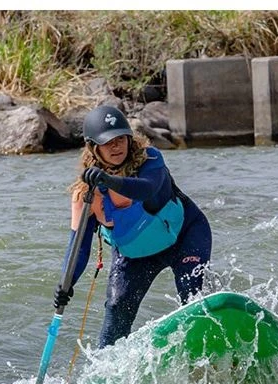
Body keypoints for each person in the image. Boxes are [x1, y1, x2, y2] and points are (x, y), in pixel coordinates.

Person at [53, 105, 213, 348]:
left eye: (120, 139)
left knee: (191, 295)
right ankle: (108, 371)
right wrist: (67, 284)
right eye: (108, 142)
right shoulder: (86, 195)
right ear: (93, 148)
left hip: (186, 236)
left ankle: (206, 339)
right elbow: (79, 248)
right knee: (116, 315)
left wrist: (108, 180)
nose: (116, 146)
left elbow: (146, 188)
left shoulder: (150, 159)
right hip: (135, 256)